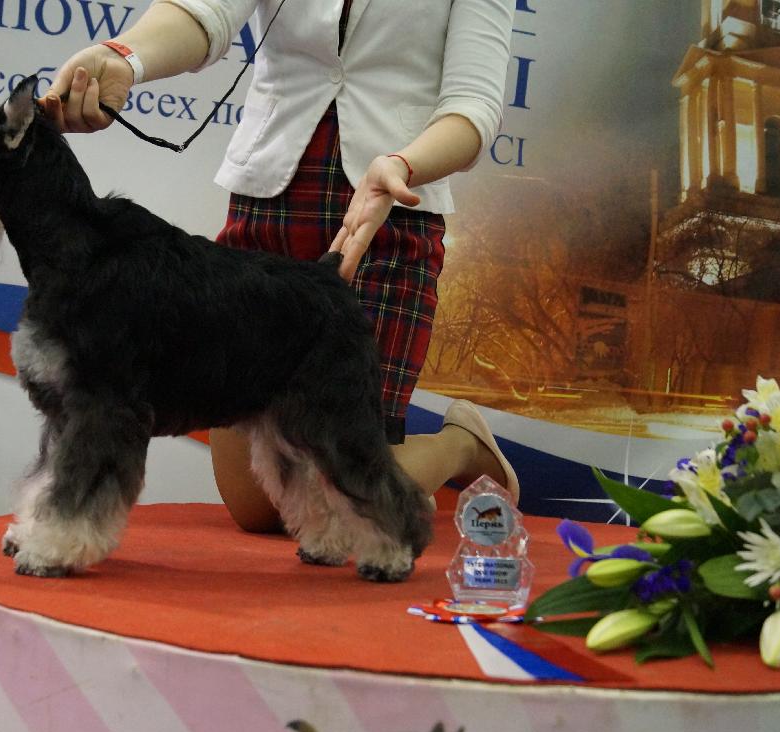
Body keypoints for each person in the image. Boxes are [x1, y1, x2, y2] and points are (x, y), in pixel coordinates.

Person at [41, 0, 520, 533]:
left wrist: (405, 163)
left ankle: (460, 445)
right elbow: (205, 11)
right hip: (269, 205)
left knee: (338, 489)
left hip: (386, 215)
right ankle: (408, 471)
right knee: (257, 509)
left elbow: (473, 105)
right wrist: (123, 58)